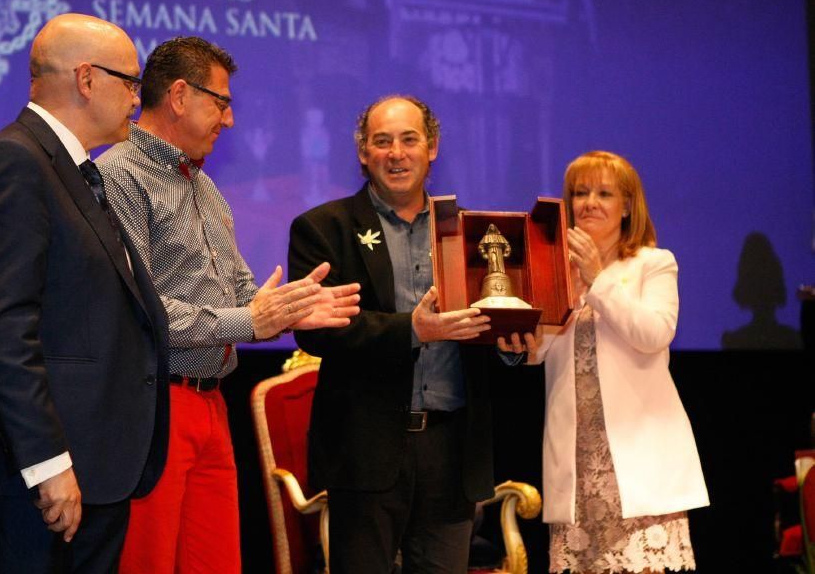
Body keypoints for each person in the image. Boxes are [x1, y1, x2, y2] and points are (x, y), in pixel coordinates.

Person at [96, 36, 360, 573]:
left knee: (217, 563)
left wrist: (287, 310)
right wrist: (251, 319)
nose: (230, 119)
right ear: (178, 95)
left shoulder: (206, 189)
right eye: (221, 102)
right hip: (153, 406)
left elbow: (240, 291)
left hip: (213, 404)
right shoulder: (119, 175)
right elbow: (139, 312)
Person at [0, 14, 170, 572]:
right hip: (30, 479)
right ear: (86, 79)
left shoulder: (71, 169)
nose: (138, 98)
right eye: (131, 82)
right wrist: (48, 465)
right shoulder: (15, 163)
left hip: (88, 470)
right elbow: (3, 330)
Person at [288, 95, 525, 573]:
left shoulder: (472, 233)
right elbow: (316, 333)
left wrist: (510, 346)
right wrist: (411, 330)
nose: (396, 153)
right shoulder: (322, 228)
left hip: (453, 450)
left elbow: (489, 322)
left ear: (432, 147)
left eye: (409, 139)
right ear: (363, 153)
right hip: (366, 451)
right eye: (382, 141)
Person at [513, 150, 709, 573]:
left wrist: (597, 278)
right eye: (580, 193)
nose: (590, 203)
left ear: (628, 207)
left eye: (604, 193)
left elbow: (654, 334)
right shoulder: (553, 269)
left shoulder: (653, 264)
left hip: (638, 463)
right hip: (578, 466)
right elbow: (537, 353)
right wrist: (517, 338)